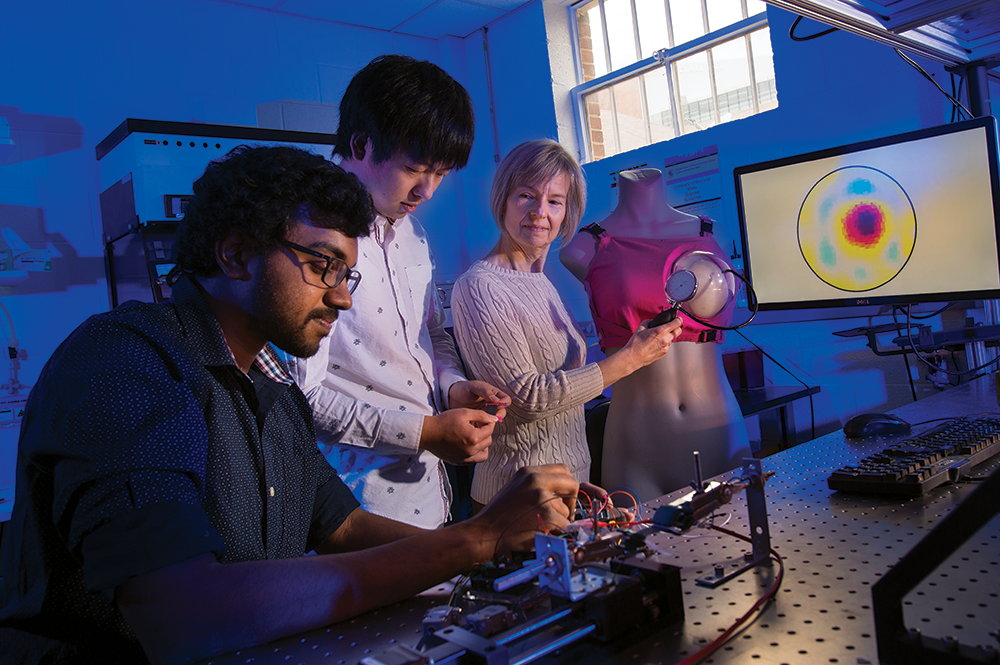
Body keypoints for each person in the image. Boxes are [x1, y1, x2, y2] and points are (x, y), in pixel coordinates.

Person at [0, 145, 580, 664]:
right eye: (322, 264)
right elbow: (179, 615)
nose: (343, 296)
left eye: (348, 272)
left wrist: (489, 540)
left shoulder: (274, 387)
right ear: (235, 256)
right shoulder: (127, 363)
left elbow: (341, 524)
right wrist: (471, 541)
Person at [285, 54, 509, 528]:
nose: (427, 190)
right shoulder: (310, 237)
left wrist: (453, 387)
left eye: (442, 173)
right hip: (351, 509)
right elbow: (299, 398)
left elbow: (429, 334)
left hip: (431, 495)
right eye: (415, 168)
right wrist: (422, 432)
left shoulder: (412, 234)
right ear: (362, 145)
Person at [450, 140, 682, 507]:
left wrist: (627, 345)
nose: (539, 212)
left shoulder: (540, 281)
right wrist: (631, 359)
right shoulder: (479, 286)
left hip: (569, 485)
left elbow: (558, 372)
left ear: (566, 213)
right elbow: (528, 398)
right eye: (526, 195)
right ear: (503, 200)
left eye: (554, 201)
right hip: (514, 497)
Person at [560, 167, 752, 499]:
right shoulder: (583, 247)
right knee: (640, 546)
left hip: (717, 428)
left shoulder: (710, 231)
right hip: (637, 440)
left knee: (736, 543)